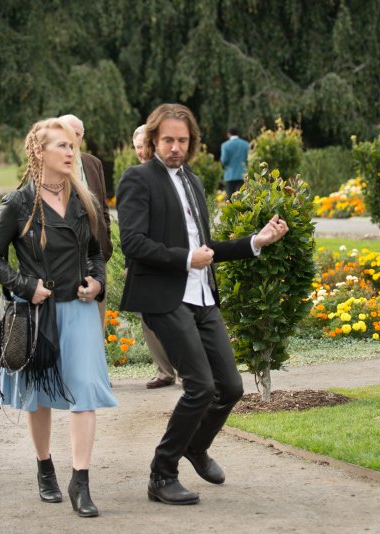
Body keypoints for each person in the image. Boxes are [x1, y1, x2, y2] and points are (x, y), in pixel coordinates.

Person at [116, 103, 288, 505]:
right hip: (164, 297)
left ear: (192, 142)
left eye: (182, 140)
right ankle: (162, 474)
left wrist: (255, 242)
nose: (176, 147)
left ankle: (195, 446)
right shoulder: (138, 178)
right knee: (199, 386)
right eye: (168, 140)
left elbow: (205, 249)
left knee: (230, 387)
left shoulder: (192, 180)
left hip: (202, 295)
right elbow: (133, 243)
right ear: (154, 140)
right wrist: (184, 259)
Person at [0, 117, 117, 518]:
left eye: (72, 145)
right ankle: (44, 466)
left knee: (85, 391)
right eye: (62, 145)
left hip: (80, 312)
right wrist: (26, 286)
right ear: (39, 152)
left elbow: (95, 252)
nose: (71, 152)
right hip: (39, 315)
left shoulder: (82, 200)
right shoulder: (18, 203)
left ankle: (81, 481)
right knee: (37, 395)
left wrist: (97, 281)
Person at [130, 125, 177, 389]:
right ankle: (164, 371)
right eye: (137, 146)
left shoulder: (173, 175)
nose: (141, 150)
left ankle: (187, 370)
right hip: (143, 260)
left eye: (145, 145)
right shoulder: (133, 179)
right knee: (148, 318)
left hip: (173, 257)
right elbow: (130, 230)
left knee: (178, 315)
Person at [59, 114, 113, 326]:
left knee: (97, 318)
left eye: (77, 134)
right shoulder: (53, 166)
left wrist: (106, 241)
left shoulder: (93, 163)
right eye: (67, 133)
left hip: (96, 253)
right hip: (65, 257)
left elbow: (103, 208)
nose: (73, 139)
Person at [220, 125, 250, 197]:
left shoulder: (225, 145)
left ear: (228, 134)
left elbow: (224, 161)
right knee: (242, 197)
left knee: (229, 198)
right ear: (237, 133)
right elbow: (248, 159)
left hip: (230, 175)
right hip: (243, 175)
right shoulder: (246, 144)